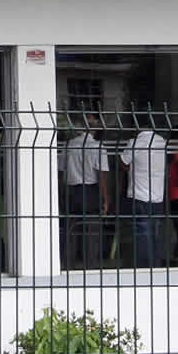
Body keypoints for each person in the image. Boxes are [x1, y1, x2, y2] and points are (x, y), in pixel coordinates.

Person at [60, 114, 109, 268]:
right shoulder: (98, 147)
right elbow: (102, 176)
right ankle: (91, 267)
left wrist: (61, 194)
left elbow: (60, 172)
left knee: (71, 232)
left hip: (71, 191)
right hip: (91, 191)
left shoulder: (68, 145)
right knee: (91, 233)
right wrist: (106, 199)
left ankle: (68, 267)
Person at [118, 123, 168, 267]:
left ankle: (144, 268)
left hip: (140, 196)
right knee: (156, 234)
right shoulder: (161, 141)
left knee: (142, 234)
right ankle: (156, 266)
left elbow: (122, 162)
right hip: (158, 196)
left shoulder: (135, 143)